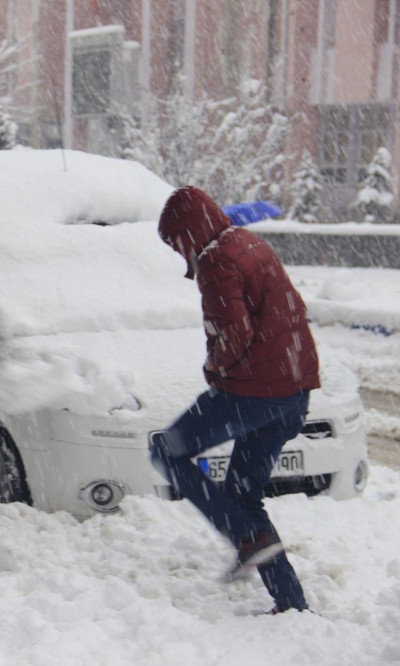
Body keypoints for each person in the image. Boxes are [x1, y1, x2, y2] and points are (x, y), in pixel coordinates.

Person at [150, 185, 320, 615]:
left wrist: (215, 370)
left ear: (188, 233)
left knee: (167, 450)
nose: (179, 253)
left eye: (176, 243)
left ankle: (246, 536)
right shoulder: (248, 242)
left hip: (255, 391)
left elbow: (232, 334)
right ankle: (291, 604)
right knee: (244, 494)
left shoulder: (216, 260)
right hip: (293, 392)